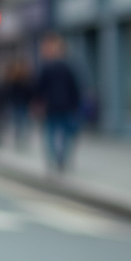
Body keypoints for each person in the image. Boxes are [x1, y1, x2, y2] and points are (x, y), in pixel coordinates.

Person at [35, 32, 81, 170]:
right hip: (66, 106)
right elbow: (75, 87)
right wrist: (75, 104)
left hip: (52, 106)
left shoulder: (47, 67)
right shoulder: (68, 66)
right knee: (65, 133)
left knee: (51, 133)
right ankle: (61, 158)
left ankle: (55, 157)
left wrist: (38, 103)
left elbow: (39, 88)